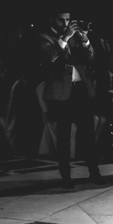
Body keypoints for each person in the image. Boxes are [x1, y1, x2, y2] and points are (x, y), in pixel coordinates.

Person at [38, 11, 102, 188]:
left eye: (68, 20)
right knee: (63, 137)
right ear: (52, 18)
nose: (65, 23)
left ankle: (94, 172)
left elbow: (91, 58)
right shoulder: (44, 37)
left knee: (89, 134)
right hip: (61, 94)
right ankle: (66, 177)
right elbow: (50, 57)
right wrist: (64, 38)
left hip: (81, 90)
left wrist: (85, 40)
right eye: (61, 19)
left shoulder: (74, 35)